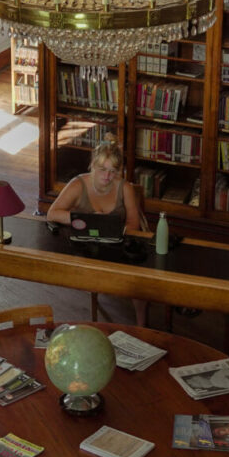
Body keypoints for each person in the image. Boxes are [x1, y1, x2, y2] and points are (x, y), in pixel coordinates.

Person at [46, 139, 149, 326]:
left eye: (113, 171)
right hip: (88, 246)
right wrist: (86, 219)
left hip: (116, 244)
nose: (108, 176)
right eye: (102, 169)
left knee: (138, 279)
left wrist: (111, 228)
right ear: (93, 165)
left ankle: (141, 325)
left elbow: (134, 224)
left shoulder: (124, 187)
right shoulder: (78, 184)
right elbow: (52, 213)